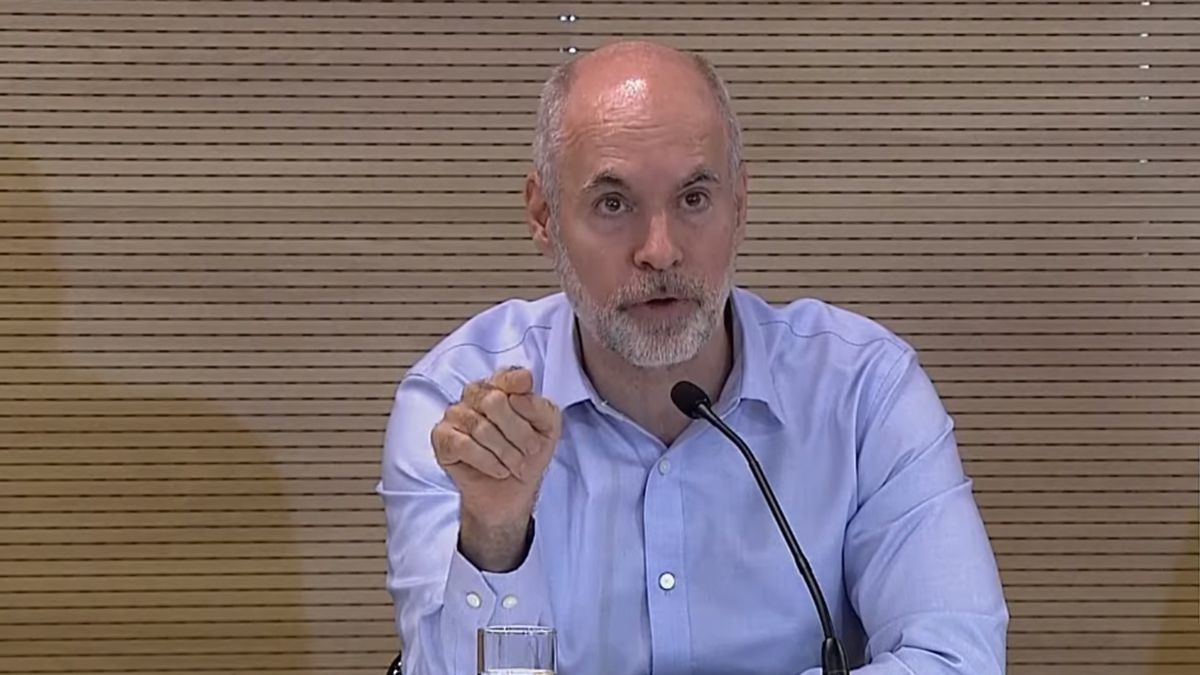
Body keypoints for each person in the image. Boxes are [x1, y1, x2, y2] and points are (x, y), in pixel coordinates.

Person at [377, 40, 1008, 675]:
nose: (660, 250)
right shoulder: (464, 412)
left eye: (694, 199)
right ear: (545, 217)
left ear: (740, 205)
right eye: (614, 204)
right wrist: (494, 535)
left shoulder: (862, 391)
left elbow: (955, 657)